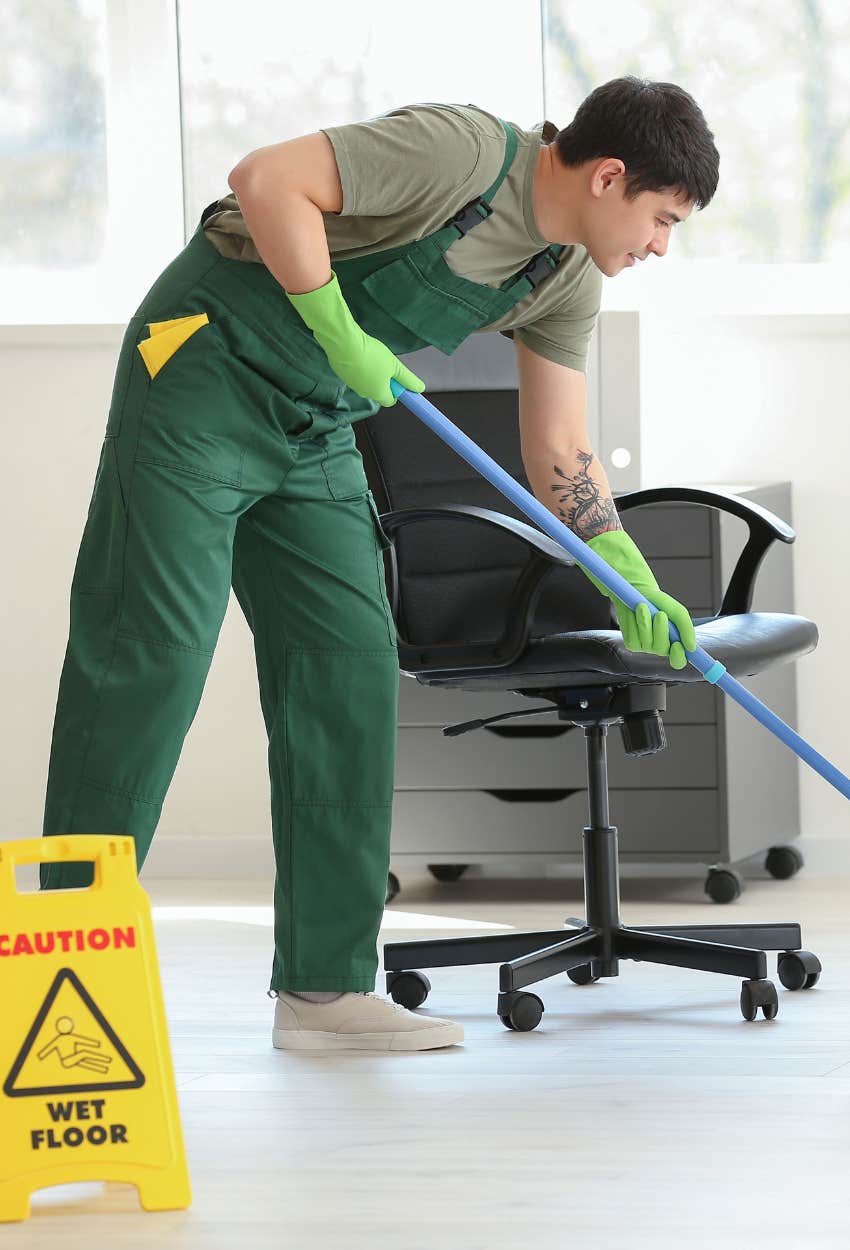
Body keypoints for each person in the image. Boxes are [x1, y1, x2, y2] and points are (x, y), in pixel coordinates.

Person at [39, 76, 719, 1052]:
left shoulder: (566, 275)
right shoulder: (458, 152)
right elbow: (265, 178)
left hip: (315, 424)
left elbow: (560, 447)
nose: (659, 245)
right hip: (201, 369)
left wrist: (624, 566)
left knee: (346, 669)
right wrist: (338, 328)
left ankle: (324, 992)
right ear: (609, 176)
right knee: (149, 658)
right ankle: (58, 966)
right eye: (662, 219)